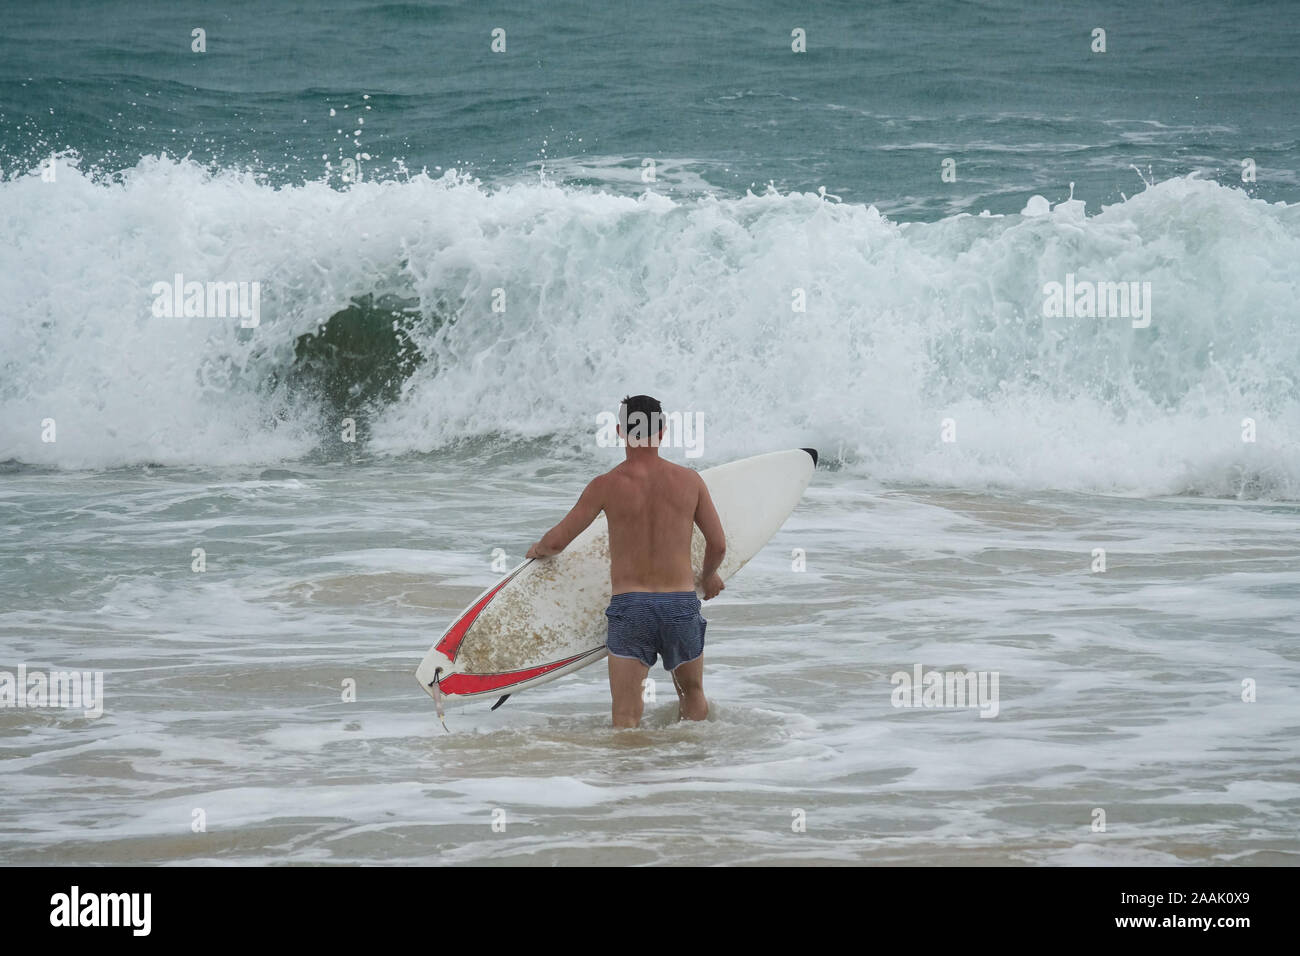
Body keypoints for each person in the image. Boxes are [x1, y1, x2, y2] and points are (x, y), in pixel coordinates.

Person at [526, 395, 726, 728]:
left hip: (631, 609)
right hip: (679, 604)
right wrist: (709, 577)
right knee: (692, 695)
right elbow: (717, 544)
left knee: (626, 713)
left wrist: (538, 549)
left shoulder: (606, 485)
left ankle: (630, 773)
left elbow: (558, 541)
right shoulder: (690, 481)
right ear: (662, 431)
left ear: (621, 432)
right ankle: (691, 767)